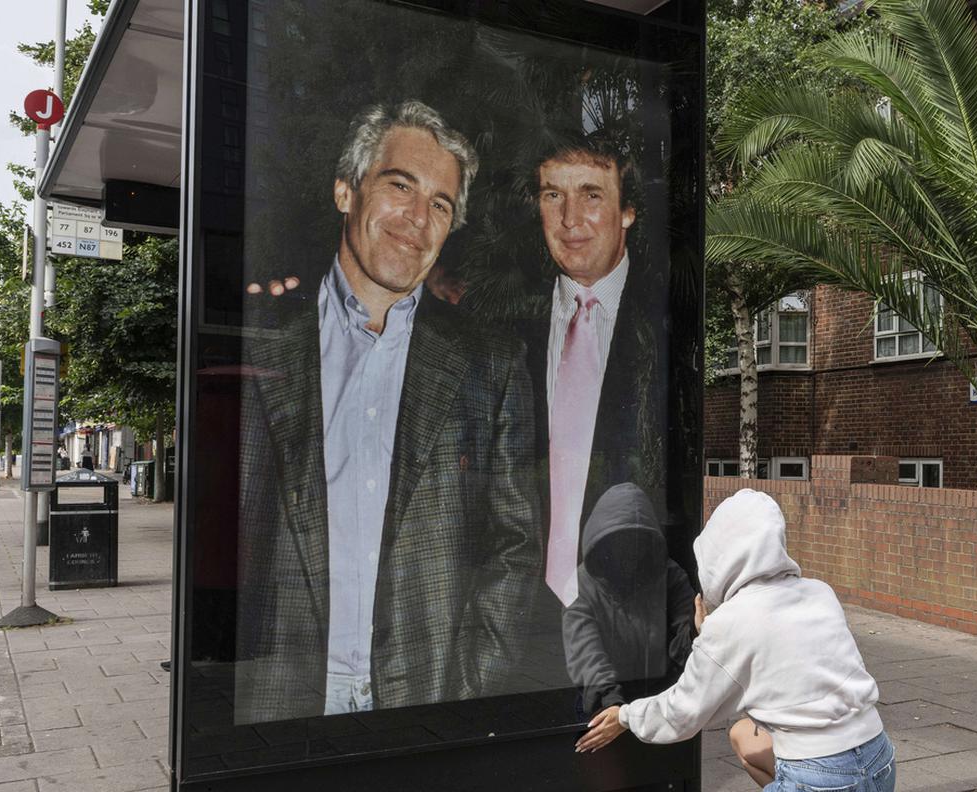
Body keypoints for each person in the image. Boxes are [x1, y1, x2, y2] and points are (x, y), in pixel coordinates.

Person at [234, 100, 542, 723]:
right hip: (279, 699)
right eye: (400, 186)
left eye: (441, 204)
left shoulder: (491, 365)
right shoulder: (257, 341)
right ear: (346, 190)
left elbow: (513, 548)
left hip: (425, 699)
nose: (418, 218)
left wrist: (468, 692)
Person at [576, 489, 896, 792]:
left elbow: (683, 714)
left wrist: (625, 716)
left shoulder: (731, 623)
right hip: (879, 758)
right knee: (744, 734)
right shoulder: (820, 592)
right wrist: (711, 635)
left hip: (817, 779)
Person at [526, 130, 668, 607]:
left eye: (591, 195)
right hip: (525, 615)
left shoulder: (665, 324)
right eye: (553, 195)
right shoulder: (505, 326)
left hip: (630, 607)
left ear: (627, 211)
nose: (570, 219)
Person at [562, 482, 694, 717]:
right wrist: (610, 703)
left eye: (638, 540)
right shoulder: (581, 585)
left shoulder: (669, 575)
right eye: (620, 540)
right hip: (606, 700)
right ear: (605, 542)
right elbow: (586, 653)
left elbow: (686, 634)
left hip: (660, 701)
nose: (629, 549)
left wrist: (695, 630)